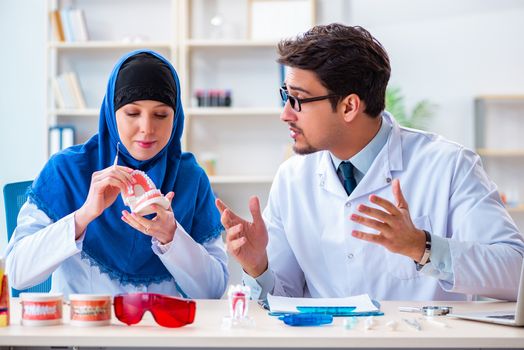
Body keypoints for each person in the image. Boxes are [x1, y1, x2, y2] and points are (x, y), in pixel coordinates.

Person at [217, 24, 524, 301]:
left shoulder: (449, 165)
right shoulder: (292, 178)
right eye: (285, 95)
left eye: (298, 99)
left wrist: (422, 247)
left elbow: (516, 271)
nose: (285, 113)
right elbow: (283, 299)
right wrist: (258, 267)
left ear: (350, 106)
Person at [5, 50, 228, 298]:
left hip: (162, 334)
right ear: (112, 113)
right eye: (132, 113)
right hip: (85, 332)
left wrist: (172, 237)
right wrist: (83, 216)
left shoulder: (190, 178)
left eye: (161, 115)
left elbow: (213, 291)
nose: (147, 128)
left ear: (176, 119)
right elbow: (16, 273)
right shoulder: (67, 170)